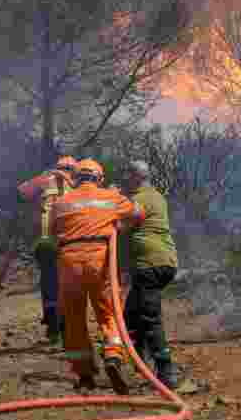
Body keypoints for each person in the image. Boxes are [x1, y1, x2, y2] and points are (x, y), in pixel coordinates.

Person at [52, 158, 146, 394]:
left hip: (68, 262)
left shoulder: (60, 202)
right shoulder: (110, 197)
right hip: (100, 260)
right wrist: (117, 221)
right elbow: (139, 214)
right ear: (99, 178)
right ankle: (113, 356)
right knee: (108, 312)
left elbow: (54, 231)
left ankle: (84, 375)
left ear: (75, 178)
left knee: (73, 319)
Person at [121, 160, 182, 389]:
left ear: (137, 177)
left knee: (149, 318)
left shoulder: (139, 200)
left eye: (128, 175)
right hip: (163, 263)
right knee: (130, 314)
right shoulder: (156, 196)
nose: (126, 179)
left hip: (150, 265)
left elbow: (121, 225)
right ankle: (140, 364)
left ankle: (166, 372)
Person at [17, 155, 76, 343]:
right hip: (69, 243)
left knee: (50, 283)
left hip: (45, 241)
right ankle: (68, 329)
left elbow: (21, 192)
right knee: (68, 286)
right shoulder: (77, 184)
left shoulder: (44, 180)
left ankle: (53, 327)